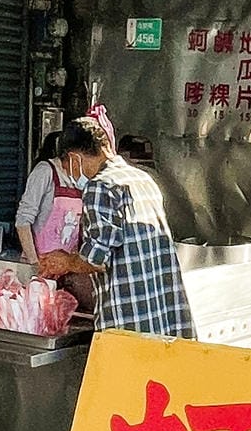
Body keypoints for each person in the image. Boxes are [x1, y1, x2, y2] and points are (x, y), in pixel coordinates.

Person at [37, 117, 195, 339]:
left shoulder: (100, 186)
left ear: (74, 159)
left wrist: (65, 261)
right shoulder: (142, 179)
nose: (70, 175)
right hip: (164, 318)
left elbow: (95, 260)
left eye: (66, 168)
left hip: (129, 323)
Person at [15, 131, 83, 268]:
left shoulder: (80, 178)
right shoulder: (45, 171)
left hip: (65, 265)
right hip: (40, 262)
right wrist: (34, 263)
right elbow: (23, 220)